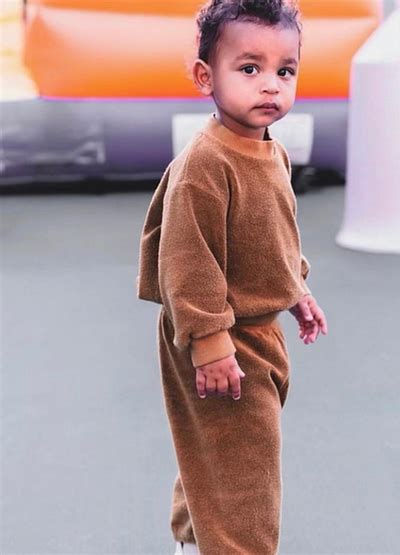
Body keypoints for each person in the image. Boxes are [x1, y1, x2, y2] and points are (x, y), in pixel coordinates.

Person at [136, 1, 328, 553]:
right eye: (249, 69)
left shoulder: (272, 152)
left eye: (285, 70)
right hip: (221, 337)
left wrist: (296, 289)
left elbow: (271, 235)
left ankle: (193, 542)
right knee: (247, 471)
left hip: (257, 331)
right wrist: (210, 344)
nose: (270, 85)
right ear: (206, 77)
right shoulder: (205, 165)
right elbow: (186, 261)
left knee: (219, 448)